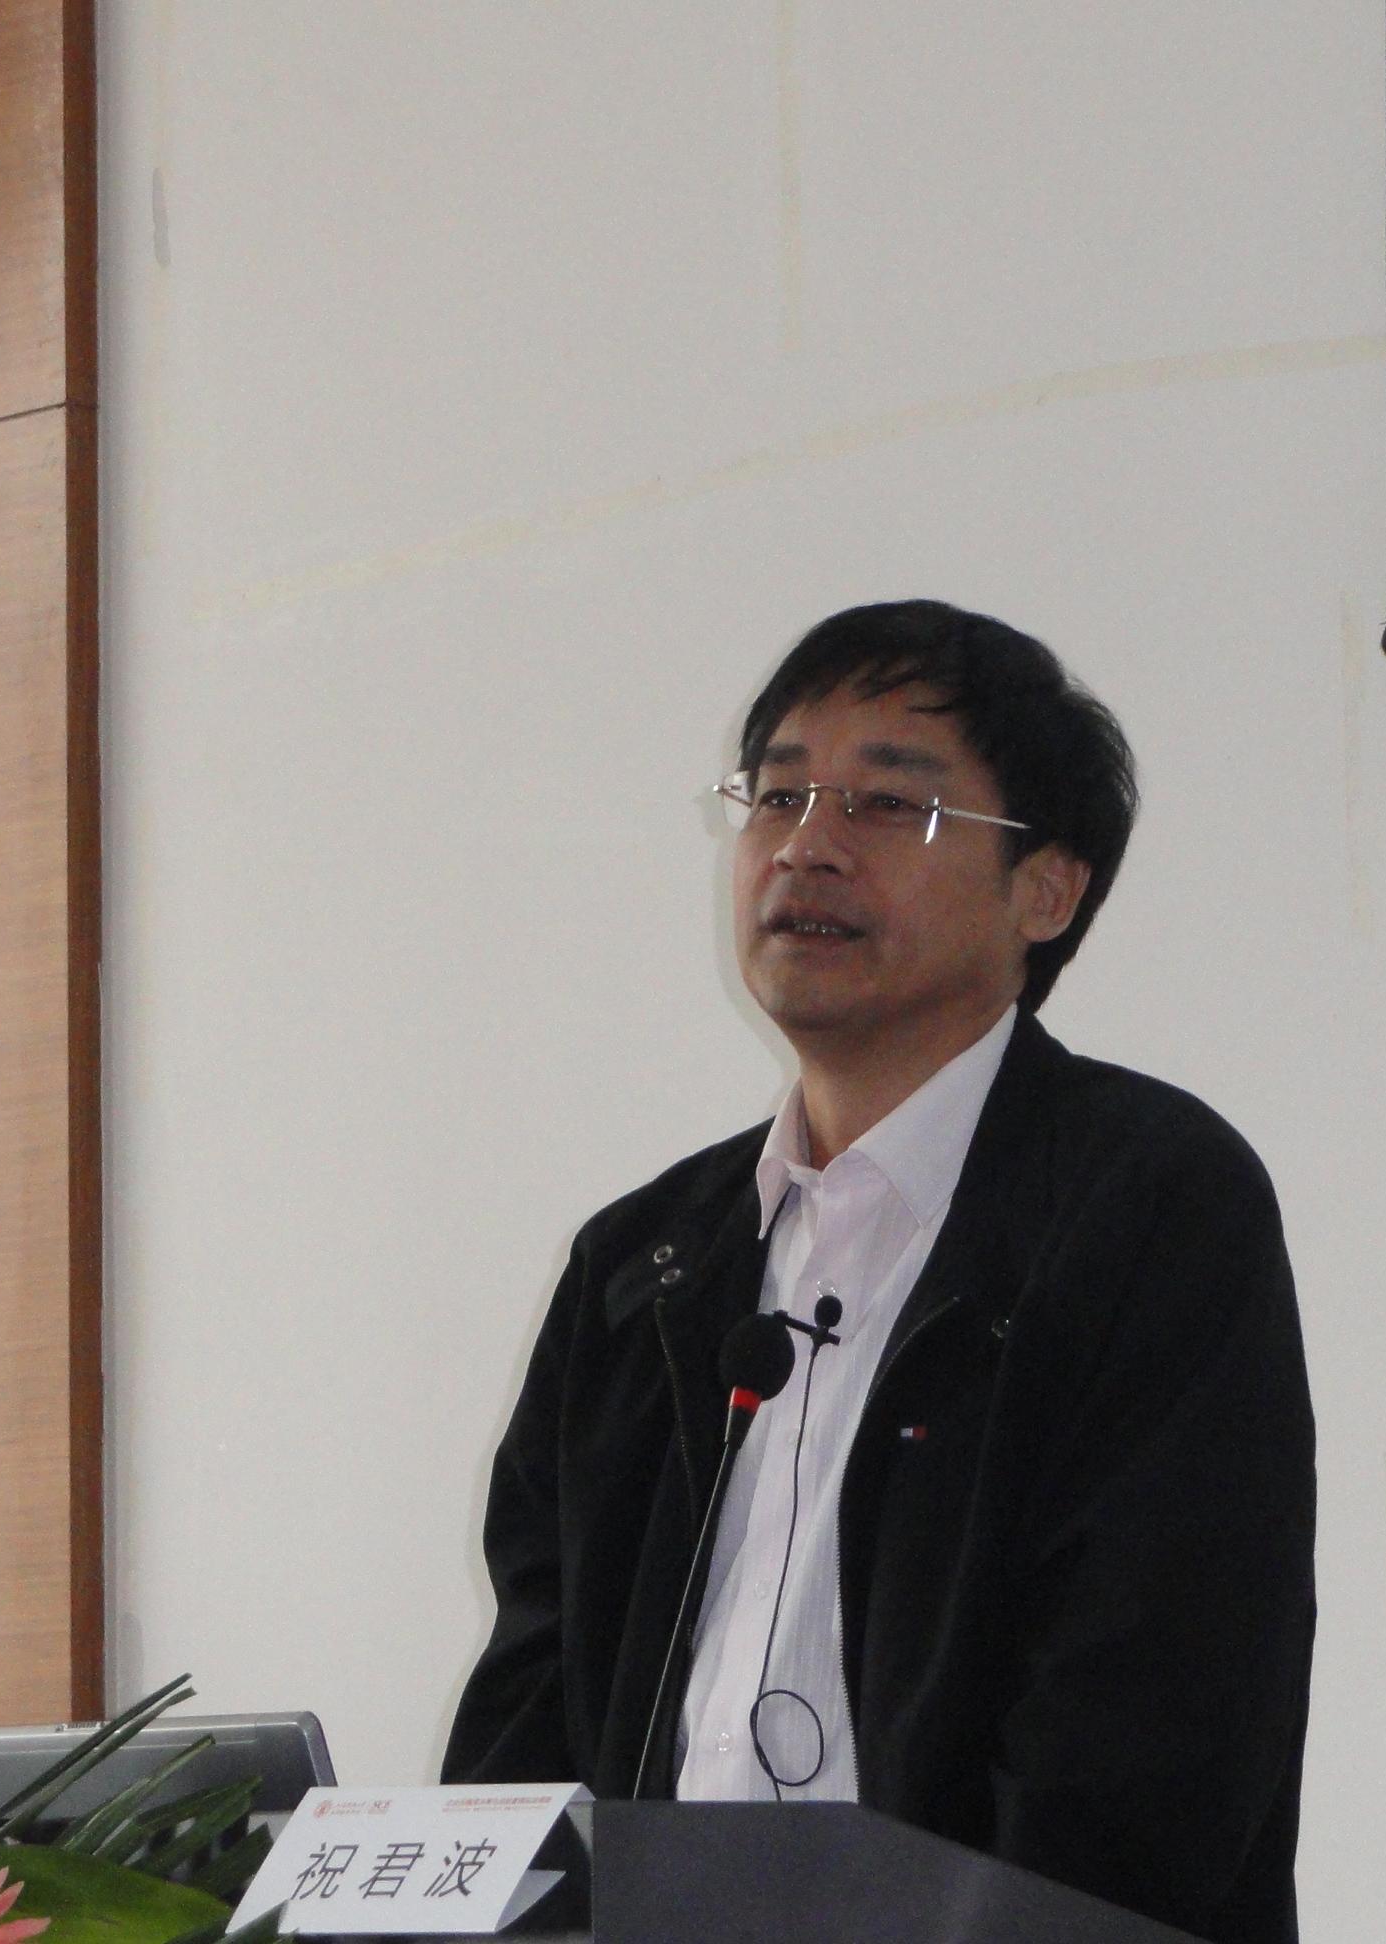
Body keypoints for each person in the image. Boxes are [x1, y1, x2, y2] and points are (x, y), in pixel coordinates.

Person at [443, 600, 1316, 1944]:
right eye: (778, 794)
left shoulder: (1147, 1203)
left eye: (887, 805)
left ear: (1045, 889)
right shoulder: (643, 1264)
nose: (807, 844)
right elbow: (526, 1732)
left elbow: (1146, 1741)